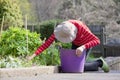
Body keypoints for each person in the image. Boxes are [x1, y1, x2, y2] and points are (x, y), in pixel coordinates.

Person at [28, 19, 109, 72]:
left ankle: (99, 63)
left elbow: (97, 41)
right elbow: (46, 44)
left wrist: (82, 47)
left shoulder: (81, 27)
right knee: (75, 67)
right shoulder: (62, 30)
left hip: (85, 44)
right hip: (76, 43)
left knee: (79, 68)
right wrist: (33, 55)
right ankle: (96, 63)